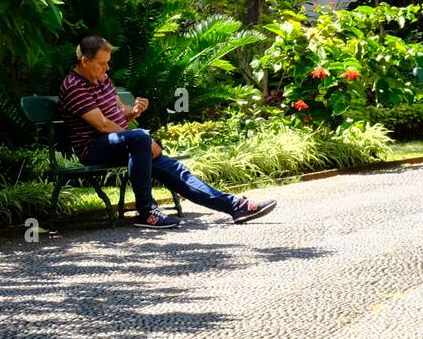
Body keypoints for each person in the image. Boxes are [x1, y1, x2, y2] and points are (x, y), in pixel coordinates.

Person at [59, 34, 277, 228]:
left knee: (177, 170)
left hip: (124, 143)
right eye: (101, 64)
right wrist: (142, 138)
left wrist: (133, 111)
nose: (106, 69)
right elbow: (103, 126)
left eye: (108, 64)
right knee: (142, 139)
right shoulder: (74, 86)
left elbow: (119, 112)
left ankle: (235, 206)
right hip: (93, 148)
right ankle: (147, 211)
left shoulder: (102, 79)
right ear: (85, 61)